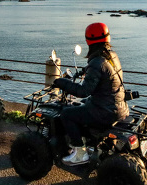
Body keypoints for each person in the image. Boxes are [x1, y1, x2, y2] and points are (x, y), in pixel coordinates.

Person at [53, 22, 129, 166]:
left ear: (89, 40)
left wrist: (61, 82)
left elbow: (83, 91)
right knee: (84, 105)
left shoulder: (97, 62)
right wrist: (85, 70)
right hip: (119, 106)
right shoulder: (111, 55)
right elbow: (103, 72)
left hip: (104, 111)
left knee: (67, 114)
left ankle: (80, 153)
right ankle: (88, 143)